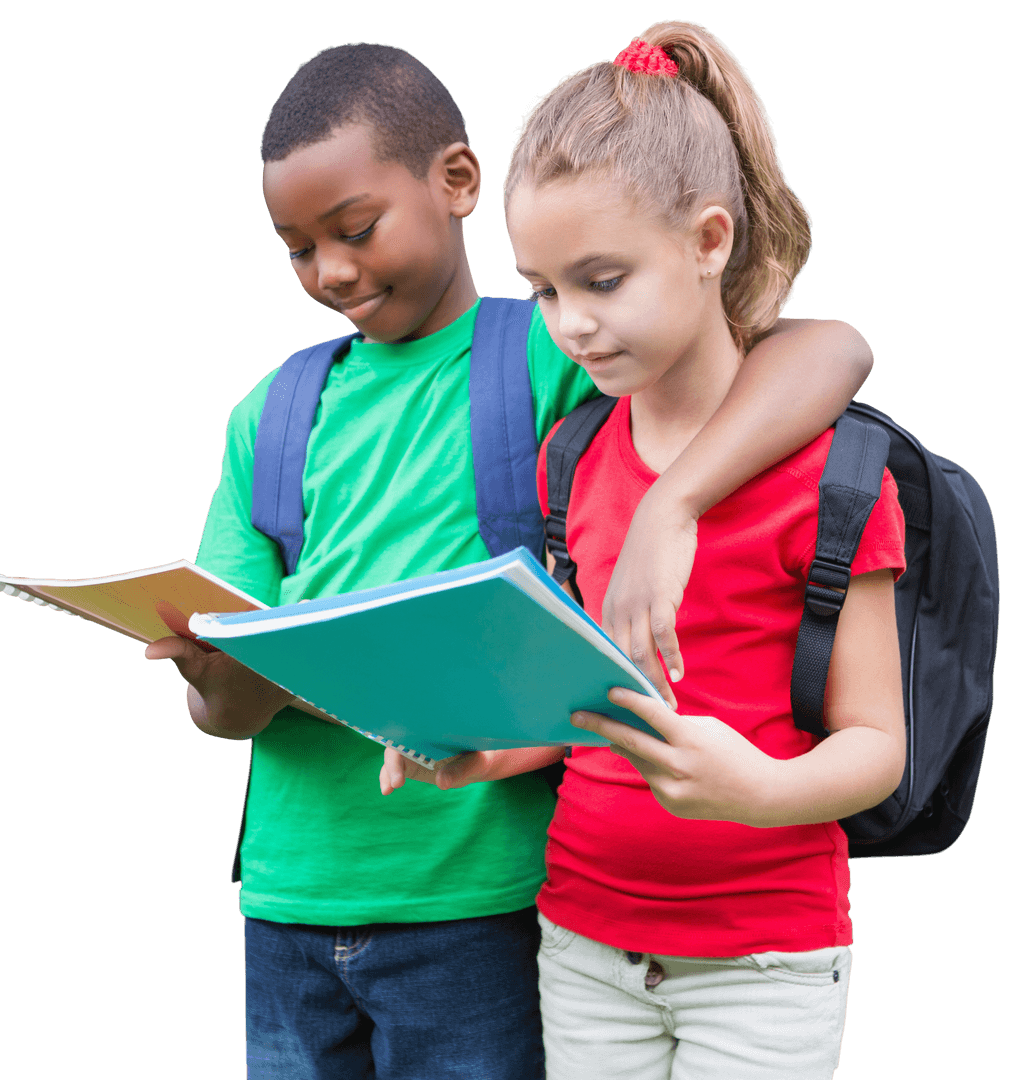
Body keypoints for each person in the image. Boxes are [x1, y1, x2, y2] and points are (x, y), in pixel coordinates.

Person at [146, 41, 877, 1080]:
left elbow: (829, 350)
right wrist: (212, 678)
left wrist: (676, 502)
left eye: (354, 231)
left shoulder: (546, 351)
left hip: (480, 894)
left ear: (455, 182)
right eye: (298, 249)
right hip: (285, 897)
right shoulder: (268, 415)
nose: (335, 270)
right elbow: (225, 710)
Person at [380, 21, 908, 1080]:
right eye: (541, 289)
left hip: (765, 957)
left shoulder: (837, 481)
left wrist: (755, 789)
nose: (568, 324)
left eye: (602, 280)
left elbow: (876, 746)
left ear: (708, 242)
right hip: (582, 940)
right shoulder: (568, 459)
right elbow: (587, 704)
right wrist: (485, 755)